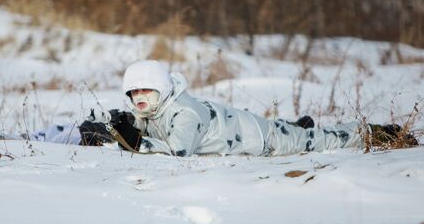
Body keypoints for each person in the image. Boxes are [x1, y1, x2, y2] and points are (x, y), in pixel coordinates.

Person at [96, 60, 419, 157]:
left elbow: (180, 150)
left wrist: (135, 142)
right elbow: (144, 128)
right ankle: (295, 125)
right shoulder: (151, 110)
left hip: (260, 139)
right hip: (242, 128)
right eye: (134, 92)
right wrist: (116, 125)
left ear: (163, 89)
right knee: (296, 131)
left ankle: (374, 131)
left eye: (146, 90)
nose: (140, 97)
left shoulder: (185, 112)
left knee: (319, 141)